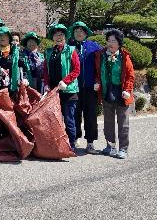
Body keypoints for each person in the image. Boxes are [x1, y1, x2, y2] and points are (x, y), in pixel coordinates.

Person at [94, 29, 135, 159]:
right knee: (108, 121)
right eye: (109, 40)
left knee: (123, 122)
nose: (110, 43)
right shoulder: (101, 55)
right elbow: (97, 72)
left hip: (122, 93)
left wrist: (127, 90)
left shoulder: (124, 56)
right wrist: (97, 82)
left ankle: (123, 148)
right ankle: (110, 146)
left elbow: (130, 76)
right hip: (107, 92)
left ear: (119, 43)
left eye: (114, 41)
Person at [43, 24, 80, 151]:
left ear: (65, 37)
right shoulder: (49, 52)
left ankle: (71, 145)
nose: (59, 37)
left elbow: (76, 70)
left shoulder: (71, 50)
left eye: (61, 35)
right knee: (55, 119)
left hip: (69, 91)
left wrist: (66, 81)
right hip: (54, 91)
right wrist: (47, 84)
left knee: (69, 119)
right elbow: (46, 70)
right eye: (56, 35)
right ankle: (57, 144)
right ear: (53, 37)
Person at [68, 21, 103, 154]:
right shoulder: (69, 46)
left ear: (86, 33)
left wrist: (97, 80)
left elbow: (101, 65)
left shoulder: (94, 46)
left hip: (90, 87)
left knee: (91, 114)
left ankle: (90, 142)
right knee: (74, 114)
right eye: (76, 31)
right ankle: (75, 138)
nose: (79, 33)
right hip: (74, 87)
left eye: (81, 31)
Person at [0, 27, 29, 96]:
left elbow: (23, 67)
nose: (2, 38)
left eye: (4, 35)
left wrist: (25, 78)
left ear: (9, 38)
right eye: (0, 36)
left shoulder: (16, 51)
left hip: (13, 85)